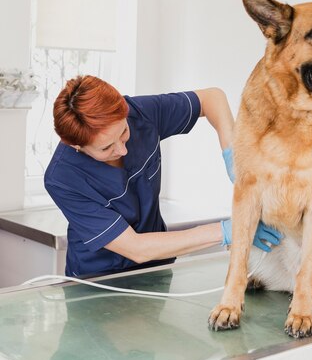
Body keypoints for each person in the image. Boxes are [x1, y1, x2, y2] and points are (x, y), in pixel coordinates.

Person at [45, 75, 282, 277]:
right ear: (76, 146)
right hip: (97, 280)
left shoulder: (139, 113)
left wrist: (235, 154)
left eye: (124, 132)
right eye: (106, 149)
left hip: (155, 269)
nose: (122, 150)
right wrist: (231, 230)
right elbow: (135, 248)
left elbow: (212, 98)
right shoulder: (62, 178)